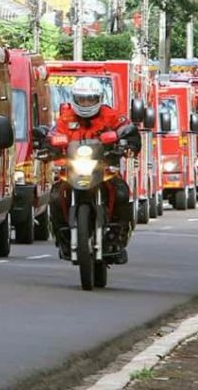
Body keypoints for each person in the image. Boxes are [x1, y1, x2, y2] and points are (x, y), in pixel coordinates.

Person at [47, 76, 141, 264]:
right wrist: (47, 145)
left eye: (90, 99)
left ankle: (119, 237)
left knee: (122, 193)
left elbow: (128, 128)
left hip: (104, 168)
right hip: (73, 169)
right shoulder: (66, 118)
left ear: (99, 99)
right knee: (56, 196)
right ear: (75, 99)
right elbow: (52, 134)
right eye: (82, 99)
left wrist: (126, 140)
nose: (86, 103)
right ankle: (62, 239)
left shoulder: (110, 116)